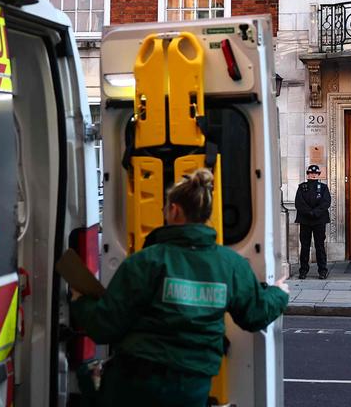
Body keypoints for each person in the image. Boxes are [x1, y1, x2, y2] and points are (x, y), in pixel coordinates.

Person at [70, 168, 289, 407]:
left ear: (174, 210)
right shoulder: (230, 265)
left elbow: (104, 326)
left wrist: (81, 301)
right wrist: (278, 293)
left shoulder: (146, 261)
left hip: (135, 384)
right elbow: (254, 314)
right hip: (192, 389)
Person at [294, 164, 331, 279]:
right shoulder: (302, 187)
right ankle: (303, 270)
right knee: (305, 246)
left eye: (315, 173)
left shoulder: (323, 187)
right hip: (305, 220)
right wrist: (309, 212)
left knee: (319, 246)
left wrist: (316, 212)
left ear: (318, 174)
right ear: (308, 174)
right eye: (311, 173)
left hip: (319, 221)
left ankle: (322, 270)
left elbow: (326, 202)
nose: (313, 175)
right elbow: (299, 203)